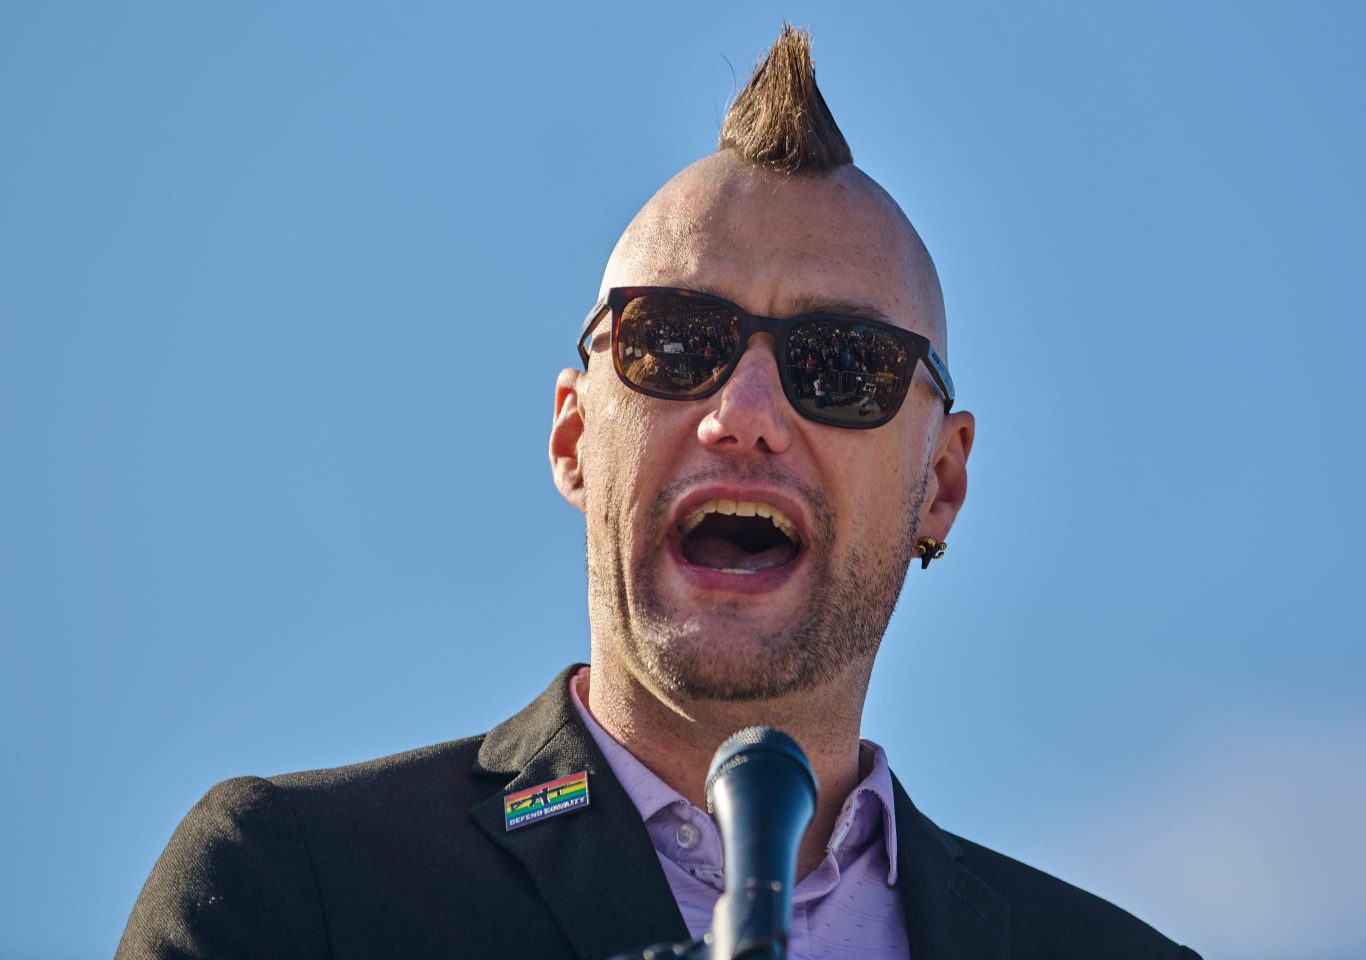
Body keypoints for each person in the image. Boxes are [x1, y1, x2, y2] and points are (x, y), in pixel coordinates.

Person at [118, 27, 1202, 960]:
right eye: (675, 344)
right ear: (576, 433)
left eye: (841, 364)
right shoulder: (306, 886)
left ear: (943, 484)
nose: (746, 413)